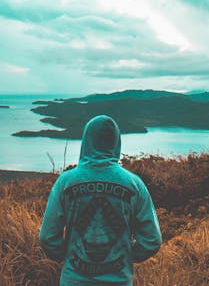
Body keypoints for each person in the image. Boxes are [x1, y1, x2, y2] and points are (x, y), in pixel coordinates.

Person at [39, 115, 162, 286]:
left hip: (74, 280)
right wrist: (124, 256)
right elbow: (152, 240)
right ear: (116, 142)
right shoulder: (134, 185)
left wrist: (69, 256)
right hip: (119, 281)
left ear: (86, 140)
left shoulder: (65, 182)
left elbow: (47, 238)